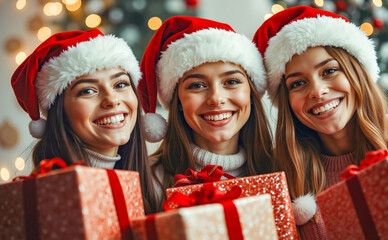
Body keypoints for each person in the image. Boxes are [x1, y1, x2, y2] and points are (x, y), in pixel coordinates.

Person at [253, 5, 388, 239]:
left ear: (355, 72)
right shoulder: (280, 172)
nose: (317, 91)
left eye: (329, 71)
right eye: (297, 83)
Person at [11, 29, 157, 213]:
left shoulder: (157, 185)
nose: (112, 100)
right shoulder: (43, 202)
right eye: (88, 90)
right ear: (59, 112)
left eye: (120, 84)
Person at [138, 16, 273, 210]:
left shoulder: (282, 169)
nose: (216, 98)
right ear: (178, 102)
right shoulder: (147, 181)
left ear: (251, 92)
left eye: (232, 81)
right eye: (197, 85)